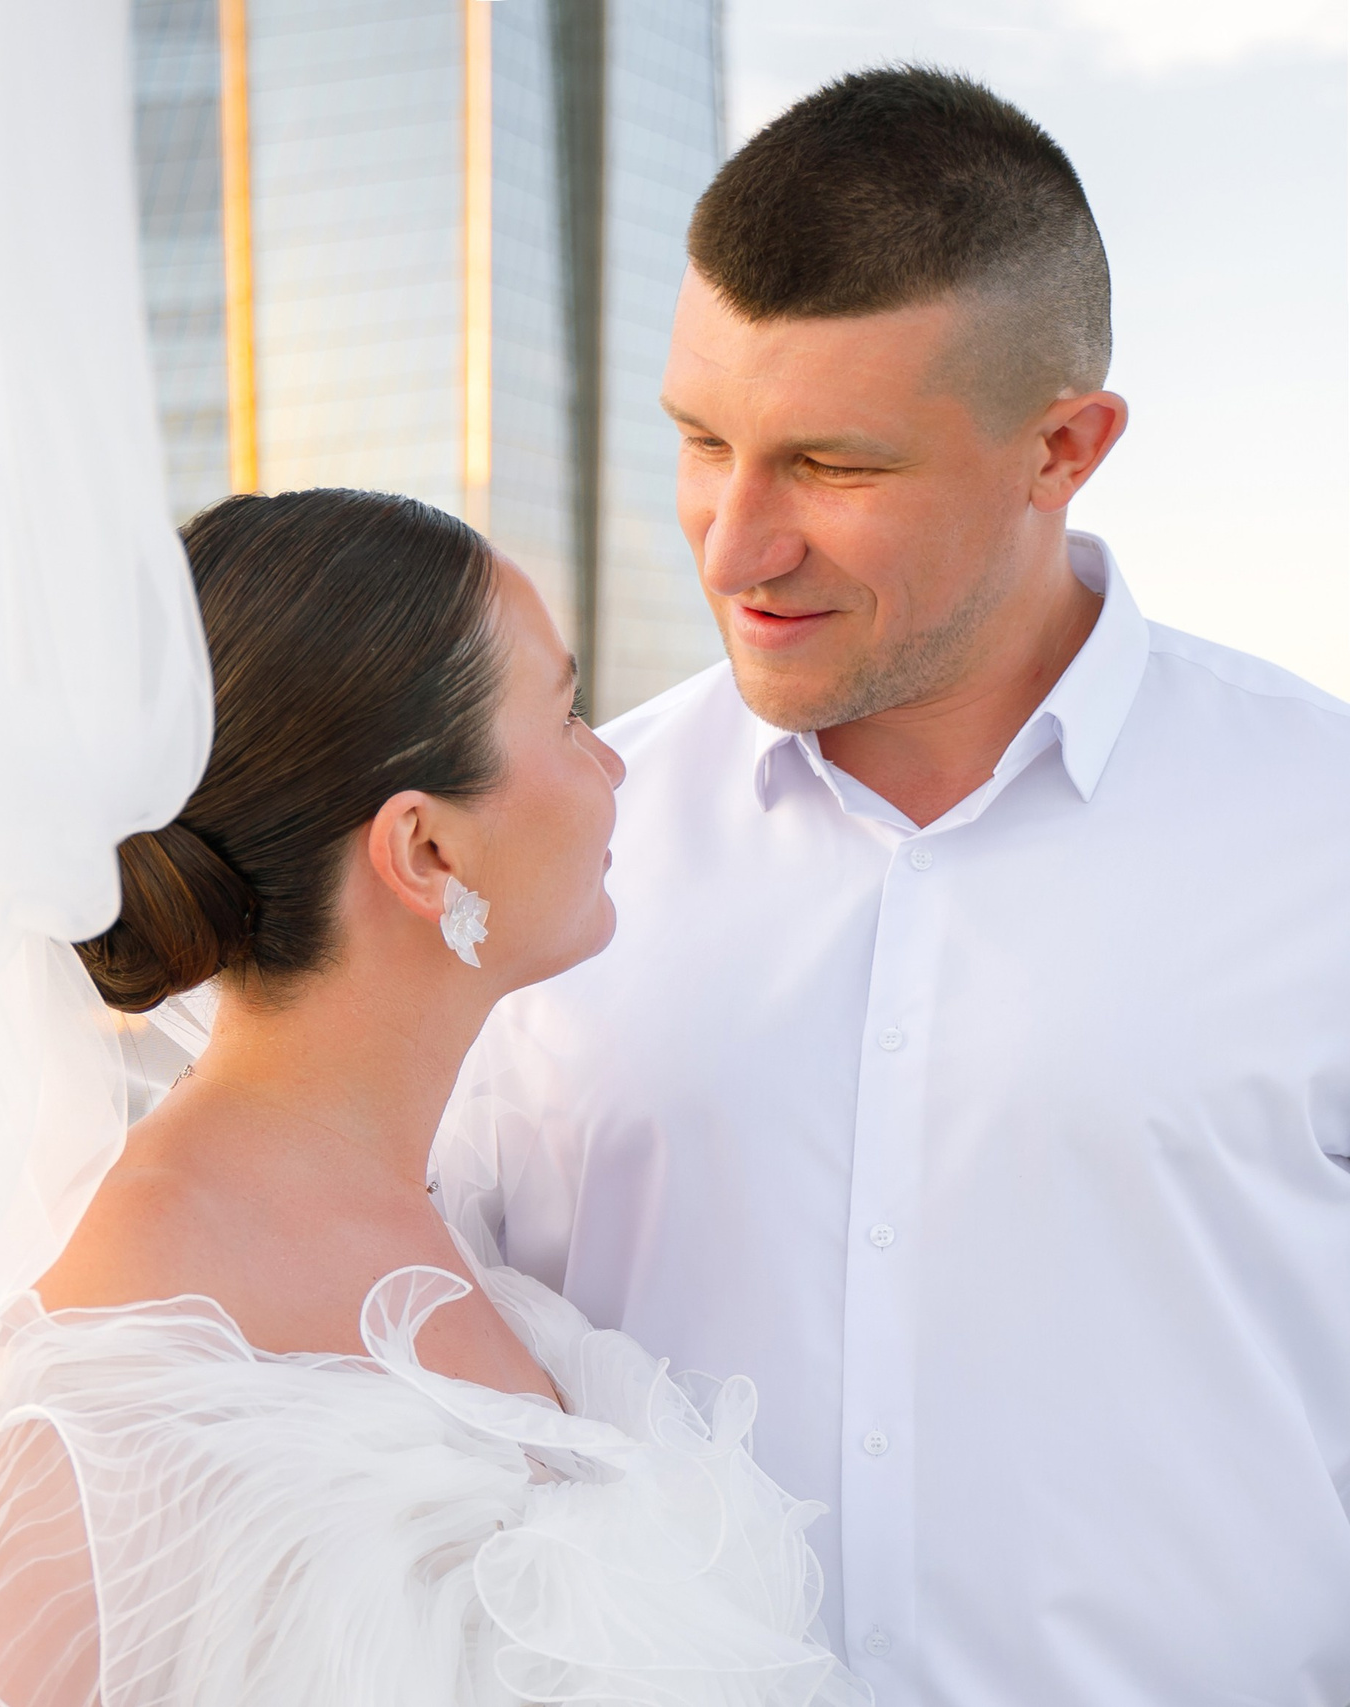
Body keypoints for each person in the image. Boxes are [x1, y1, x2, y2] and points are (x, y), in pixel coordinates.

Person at [435, 66, 1350, 1705]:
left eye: (831, 466)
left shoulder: (1324, 833)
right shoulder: (539, 857)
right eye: (702, 442)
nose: (731, 545)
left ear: (1063, 448)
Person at [0, 489, 864, 1705]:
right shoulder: (121, 1361)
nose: (612, 762)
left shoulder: (423, 1206)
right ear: (424, 853)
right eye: (564, 717)